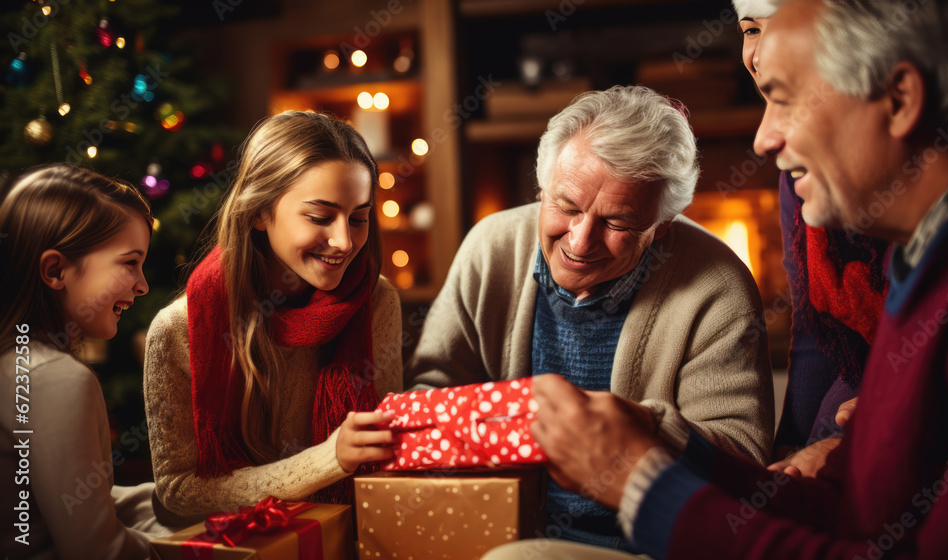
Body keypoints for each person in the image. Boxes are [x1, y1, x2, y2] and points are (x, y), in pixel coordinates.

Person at [486, 0, 948, 557]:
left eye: (785, 97)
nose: (764, 139)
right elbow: (844, 510)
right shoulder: (924, 264)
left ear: (899, 99)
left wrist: (640, 483)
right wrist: (662, 440)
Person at [407, 85, 774, 550]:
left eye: (617, 222)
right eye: (567, 206)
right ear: (542, 188)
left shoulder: (719, 287)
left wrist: (640, 426)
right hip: (496, 526)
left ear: (660, 229)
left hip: (648, 545)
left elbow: (744, 460)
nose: (580, 242)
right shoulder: (490, 246)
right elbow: (428, 392)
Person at [144, 111, 402, 517]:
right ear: (260, 212)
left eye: (359, 218)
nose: (343, 241)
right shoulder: (177, 329)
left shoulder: (377, 299)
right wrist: (327, 459)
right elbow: (180, 490)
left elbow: (386, 458)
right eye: (320, 217)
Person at [735, 0, 891, 475]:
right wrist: (789, 450)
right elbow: (812, 330)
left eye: (788, 99)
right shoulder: (797, 175)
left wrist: (886, 411)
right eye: (749, 29)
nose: (757, 55)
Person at [0, 165, 171, 559]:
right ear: (56, 270)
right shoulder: (57, 380)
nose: (143, 285)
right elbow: (98, 551)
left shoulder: (19, 360)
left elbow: (66, 499)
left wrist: (176, 504)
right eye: (130, 263)